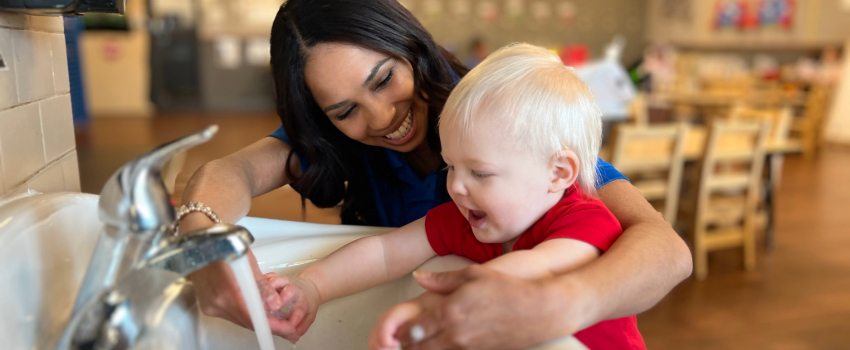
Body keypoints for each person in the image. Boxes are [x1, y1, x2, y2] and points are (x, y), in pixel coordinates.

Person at [179, 0, 691, 348]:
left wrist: (561, 304)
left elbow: (665, 251)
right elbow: (232, 172)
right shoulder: (345, 144)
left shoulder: (503, 121)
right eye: (344, 111)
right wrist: (204, 243)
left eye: (384, 80)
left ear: (410, 46)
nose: (380, 119)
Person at [262, 43, 647, 349]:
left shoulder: (586, 222)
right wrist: (312, 286)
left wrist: (425, 309)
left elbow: (531, 270)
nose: (457, 187)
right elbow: (383, 253)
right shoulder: (466, 216)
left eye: (479, 172)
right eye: (451, 167)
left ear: (558, 173)